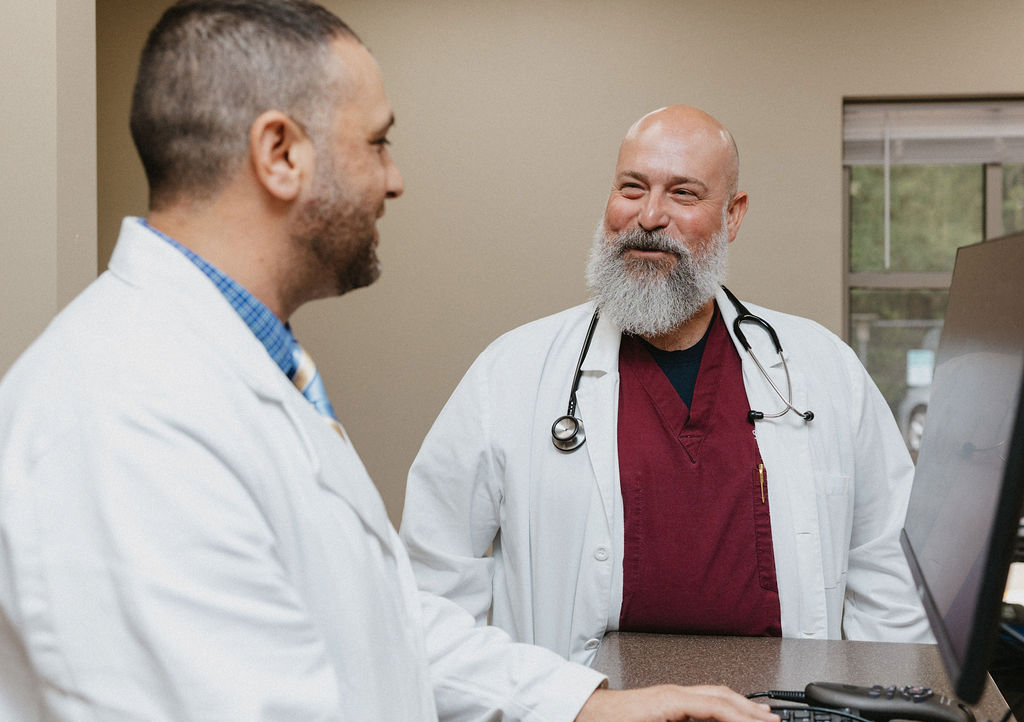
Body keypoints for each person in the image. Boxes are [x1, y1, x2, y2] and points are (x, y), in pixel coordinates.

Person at [0, 6, 785, 721]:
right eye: (376, 142)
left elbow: (377, 622)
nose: (395, 177)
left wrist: (586, 705)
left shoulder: (239, 367)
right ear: (280, 154)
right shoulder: (127, 413)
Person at [400, 105, 933, 667]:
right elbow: (429, 588)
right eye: (632, 188)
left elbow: (891, 576)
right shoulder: (510, 373)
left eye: (683, 193)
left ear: (733, 215)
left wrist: (887, 699)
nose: (649, 216)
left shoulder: (823, 369)